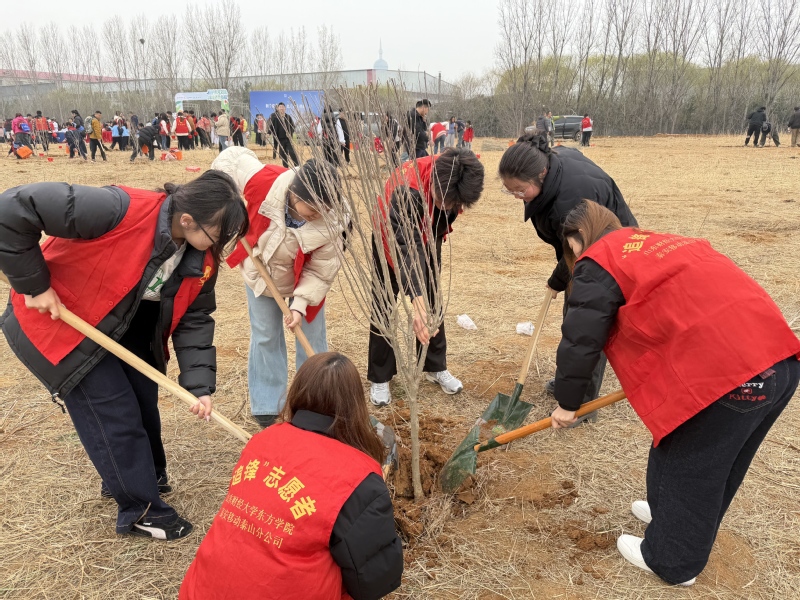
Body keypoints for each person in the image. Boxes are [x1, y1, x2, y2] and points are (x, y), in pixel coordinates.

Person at [550, 200, 800, 587]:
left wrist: (568, 403)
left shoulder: (599, 261)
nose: (576, 258)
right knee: (703, 453)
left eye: (573, 249)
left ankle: (671, 560)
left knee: (695, 466)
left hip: (732, 377)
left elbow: (581, 337)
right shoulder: (655, 242)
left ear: (581, 238)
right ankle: (670, 515)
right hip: (778, 360)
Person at [0, 171, 250, 539]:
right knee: (113, 412)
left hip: (129, 325)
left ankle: (144, 475)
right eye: (217, 235)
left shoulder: (201, 257)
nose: (219, 246)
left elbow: (194, 318)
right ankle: (141, 509)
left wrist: (200, 387)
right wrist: (34, 285)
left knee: (143, 400)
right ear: (187, 219)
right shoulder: (117, 208)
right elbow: (12, 208)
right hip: (64, 324)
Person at [179, 352, 404, 600]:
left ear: (297, 391)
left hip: (200, 590)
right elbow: (375, 580)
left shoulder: (262, 441)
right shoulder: (357, 477)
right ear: (356, 405)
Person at [498, 133, 637, 420]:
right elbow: (570, 250)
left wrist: (563, 278)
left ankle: (582, 404)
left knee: (586, 321)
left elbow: (580, 253)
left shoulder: (570, 203)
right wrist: (559, 279)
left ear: (541, 174)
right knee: (575, 317)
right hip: (586, 246)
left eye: (520, 190)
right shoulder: (550, 161)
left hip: (612, 251)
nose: (515, 197)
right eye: (509, 190)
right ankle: (569, 382)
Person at [211, 147, 349, 426]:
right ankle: (267, 407)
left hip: (305, 280)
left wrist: (298, 306)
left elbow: (320, 272)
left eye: (322, 212)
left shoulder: (335, 219)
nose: (316, 217)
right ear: (295, 195)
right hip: (260, 272)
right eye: (310, 212)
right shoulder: (267, 182)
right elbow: (233, 159)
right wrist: (225, 201)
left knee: (311, 339)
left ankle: (312, 404)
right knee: (265, 336)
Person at [368, 148, 485, 406]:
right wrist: (416, 303)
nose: (450, 207)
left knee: (433, 298)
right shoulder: (406, 188)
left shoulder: (457, 173)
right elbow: (405, 248)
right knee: (384, 302)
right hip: (391, 236)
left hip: (429, 235)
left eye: (454, 204)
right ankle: (380, 376)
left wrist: (424, 302)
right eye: (446, 201)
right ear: (434, 183)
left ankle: (434, 365)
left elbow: (441, 220)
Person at [268, 103, 299, 168]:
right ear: (278, 108)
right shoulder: (275, 117)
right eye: (280, 107)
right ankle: (285, 168)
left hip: (288, 139)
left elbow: (292, 126)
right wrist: (268, 133)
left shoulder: (288, 117)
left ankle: (297, 166)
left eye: (283, 107)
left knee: (292, 152)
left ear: (285, 108)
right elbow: (271, 126)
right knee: (283, 154)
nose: (281, 108)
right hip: (280, 139)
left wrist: (290, 132)